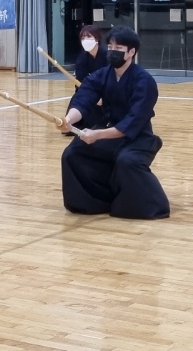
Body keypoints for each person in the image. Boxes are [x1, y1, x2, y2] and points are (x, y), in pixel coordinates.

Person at [59, 26, 170, 219]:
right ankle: (96, 201)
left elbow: (132, 121)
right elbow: (84, 98)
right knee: (72, 153)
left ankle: (153, 205)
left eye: (118, 48)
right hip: (109, 133)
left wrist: (97, 135)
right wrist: (68, 119)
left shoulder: (144, 81)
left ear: (131, 52)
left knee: (127, 161)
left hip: (137, 137)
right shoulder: (102, 75)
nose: (112, 51)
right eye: (110, 46)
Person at [69, 24, 108, 132]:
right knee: (72, 126)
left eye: (89, 37)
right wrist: (87, 94)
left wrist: (103, 97)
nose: (85, 40)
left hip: (105, 93)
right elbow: (80, 80)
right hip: (89, 92)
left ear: (97, 38)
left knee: (98, 124)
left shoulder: (106, 55)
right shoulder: (82, 57)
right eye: (83, 38)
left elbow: (111, 78)